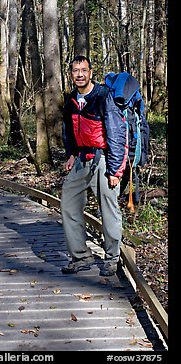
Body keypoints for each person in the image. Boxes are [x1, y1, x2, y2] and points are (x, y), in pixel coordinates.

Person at [60, 55, 127, 276]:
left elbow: (117, 134)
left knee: (108, 210)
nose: (79, 74)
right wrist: (70, 153)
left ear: (90, 72)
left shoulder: (103, 96)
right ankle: (81, 256)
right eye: (75, 70)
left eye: (83, 70)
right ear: (71, 74)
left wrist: (115, 170)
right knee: (68, 205)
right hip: (81, 159)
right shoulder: (71, 100)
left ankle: (112, 257)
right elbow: (68, 130)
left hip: (104, 159)